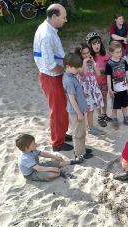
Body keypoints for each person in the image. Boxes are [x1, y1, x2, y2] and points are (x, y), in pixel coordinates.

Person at [33, 4, 73, 152]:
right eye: (64, 17)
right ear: (54, 16)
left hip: (53, 76)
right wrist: (67, 71)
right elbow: (50, 64)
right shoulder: (47, 35)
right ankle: (57, 143)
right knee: (57, 110)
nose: (66, 20)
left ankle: (61, 134)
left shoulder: (49, 29)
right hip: (51, 77)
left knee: (62, 107)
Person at [62, 53, 94, 159]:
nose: (78, 70)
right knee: (78, 134)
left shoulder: (71, 75)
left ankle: (82, 149)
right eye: (76, 68)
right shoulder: (69, 80)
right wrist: (79, 113)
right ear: (68, 67)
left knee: (82, 131)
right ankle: (79, 153)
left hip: (79, 111)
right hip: (76, 112)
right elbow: (72, 99)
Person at [16, 134, 84, 181]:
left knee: (52, 163)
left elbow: (43, 154)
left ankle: (72, 161)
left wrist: (55, 157)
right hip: (31, 173)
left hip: (37, 166)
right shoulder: (25, 158)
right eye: (34, 144)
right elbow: (39, 169)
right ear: (27, 148)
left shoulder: (32, 150)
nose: (36, 144)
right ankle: (60, 173)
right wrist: (52, 169)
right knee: (45, 174)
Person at [74, 42, 105, 136]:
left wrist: (93, 64)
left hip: (93, 88)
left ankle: (91, 126)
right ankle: (90, 128)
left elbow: (98, 74)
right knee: (90, 110)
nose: (87, 55)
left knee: (93, 108)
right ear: (80, 55)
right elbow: (84, 73)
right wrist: (84, 62)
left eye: (88, 52)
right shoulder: (79, 64)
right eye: (84, 53)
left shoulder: (91, 62)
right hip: (86, 90)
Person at [105, 41, 128, 130]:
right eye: (117, 52)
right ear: (111, 53)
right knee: (115, 106)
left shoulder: (123, 62)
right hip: (115, 90)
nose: (119, 54)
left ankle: (126, 119)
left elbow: (127, 74)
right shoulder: (109, 64)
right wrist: (110, 89)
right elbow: (108, 77)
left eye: (120, 51)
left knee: (124, 105)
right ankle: (115, 120)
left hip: (124, 88)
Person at [86, 32, 113, 128]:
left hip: (105, 81)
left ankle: (105, 114)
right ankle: (100, 116)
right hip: (95, 83)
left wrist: (105, 70)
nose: (97, 46)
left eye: (98, 43)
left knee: (104, 98)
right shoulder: (90, 57)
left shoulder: (104, 54)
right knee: (97, 100)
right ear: (90, 45)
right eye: (94, 44)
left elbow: (110, 65)